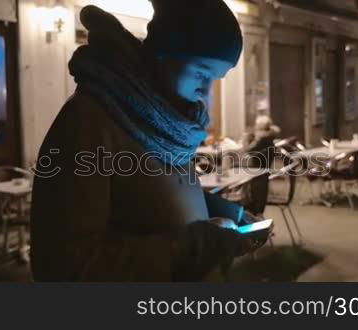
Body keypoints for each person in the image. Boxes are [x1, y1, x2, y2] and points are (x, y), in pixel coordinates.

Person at [30, 1, 262, 281]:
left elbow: (154, 195)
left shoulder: (172, 123)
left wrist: (227, 213)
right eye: (201, 73)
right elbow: (63, 266)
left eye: (216, 78)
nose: (206, 90)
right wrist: (193, 247)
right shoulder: (88, 123)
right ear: (164, 53)